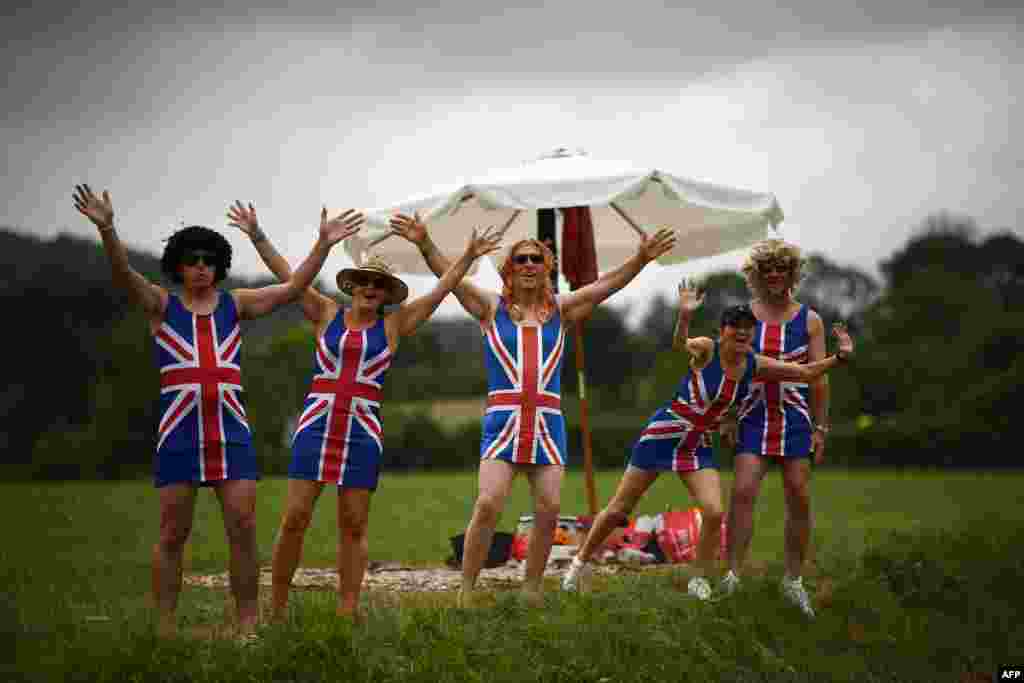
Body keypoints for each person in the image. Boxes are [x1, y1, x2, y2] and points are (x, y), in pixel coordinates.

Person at [72, 184, 362, 636]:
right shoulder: (160, 306)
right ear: (179, 266)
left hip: (231, 434)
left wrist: (323, 244)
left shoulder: (236, 303)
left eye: (209, 260)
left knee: (243, 529)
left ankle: (248, 624)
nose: (202, 268)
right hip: (180, 436)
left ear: (218, 265)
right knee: (172, 535)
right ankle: (165, 627)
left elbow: (294, 288)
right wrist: (108, 229)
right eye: (193, 260)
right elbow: (123, 273)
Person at [227, 201, 502, 619]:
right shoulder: (324, 312)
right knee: (295, 518)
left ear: (387, 293)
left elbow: (441, 290)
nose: (372, 289)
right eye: (365, 282)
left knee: (353, 525)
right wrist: (257, 234)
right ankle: (277, 609)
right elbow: (287, 276)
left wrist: (465, 255)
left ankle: (347, 610)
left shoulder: (395, 325)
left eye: (380, 284)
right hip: (316, 426)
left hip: (361, 432)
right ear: (353, 286)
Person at [388, 211, 677, 605]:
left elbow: (604, 286)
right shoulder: (491, 307)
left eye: (535, 259)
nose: (528, 264)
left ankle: (532, 588)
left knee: (549, 508)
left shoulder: (561, 309)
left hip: (547, 423)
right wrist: (424, 242)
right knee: (488, 503)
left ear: (546, 268)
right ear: (508, 269)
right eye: (520, 259)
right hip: (503, 422)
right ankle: (467, 590)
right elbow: (450, 277)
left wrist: (640, 259)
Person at [562, 281, 854, 604]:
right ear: (722, 331)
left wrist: (837, 359)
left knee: (714, 512)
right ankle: (578, 565)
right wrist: (685, 316)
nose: (741, 334)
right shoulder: (707, 349)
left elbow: (804, 373)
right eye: (735, 328)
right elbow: (679, 343)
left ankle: (698, 579)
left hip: (696, 443)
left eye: (747, 329)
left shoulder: (755, 364)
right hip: (664, 434)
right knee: (620, 508)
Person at [721, 239, 829, 617]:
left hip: (796, 418)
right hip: (752, 415)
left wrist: (820, 428)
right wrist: (728, 413)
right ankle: (732, 576)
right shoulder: (743, 318)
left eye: (780, 270)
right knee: (743, 491)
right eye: (766, 270)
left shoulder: (810, 320)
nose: (774, 276)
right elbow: (729, 367)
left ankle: (793, 581)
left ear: (791, 274)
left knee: (798, 495)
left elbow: (818, 378)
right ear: (756, 276)